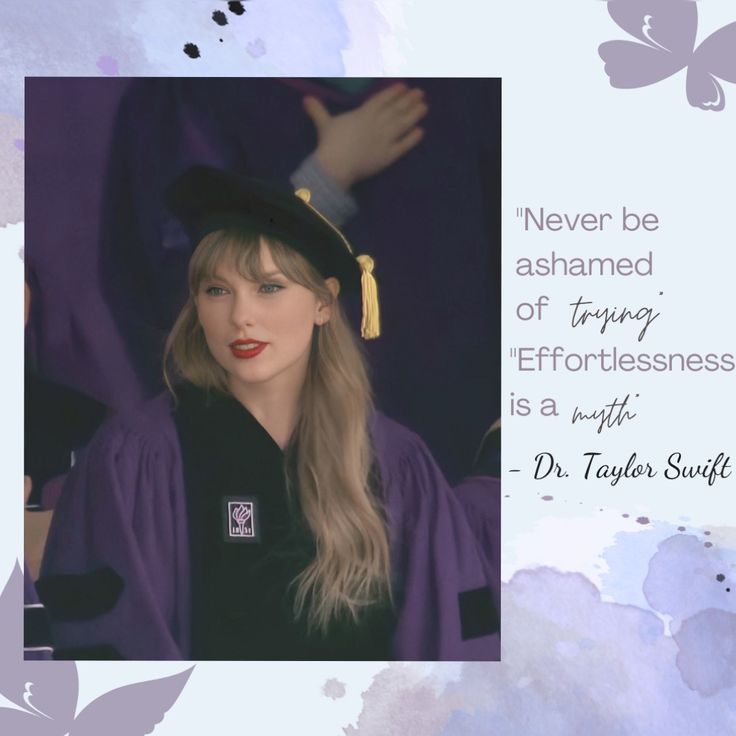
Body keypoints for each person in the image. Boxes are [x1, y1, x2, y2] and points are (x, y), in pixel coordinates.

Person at [39, 166, 499, 661]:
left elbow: (452, 641)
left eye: (269, 287)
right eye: (217, 290)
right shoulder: (137, 459)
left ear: (324, 304)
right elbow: (108, 646)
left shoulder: (396, 462)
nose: (240, 316)